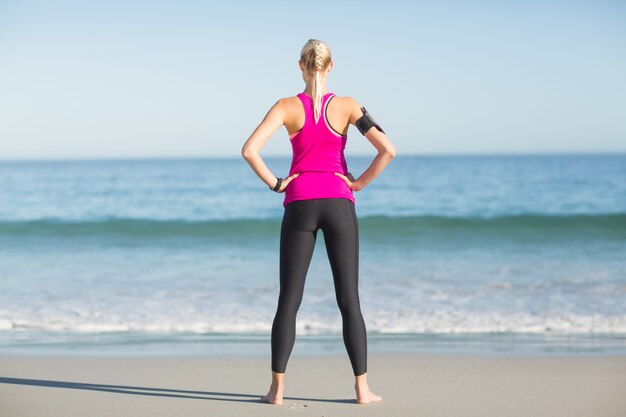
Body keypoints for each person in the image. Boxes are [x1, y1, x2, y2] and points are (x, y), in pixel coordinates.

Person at [241, 38, 395, 405]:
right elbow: (388, 149)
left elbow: (249, 150)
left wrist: (277, 183)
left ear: (300, 66)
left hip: (299, 204)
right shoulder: (348, 107)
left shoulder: (285, 107)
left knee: (289, 301)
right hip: (339, 204)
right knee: (349, 301)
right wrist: (357, 182)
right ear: (331, 66)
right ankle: (362, 390)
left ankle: (277, 390)